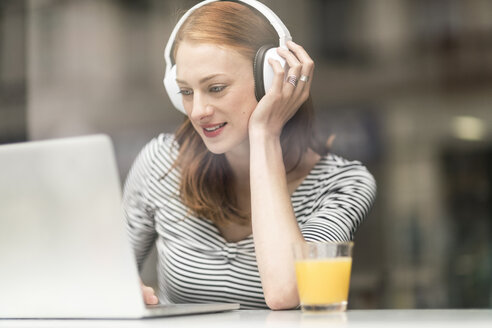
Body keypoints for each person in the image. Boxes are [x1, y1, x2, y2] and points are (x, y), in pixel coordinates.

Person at [123, 0, 376, 310]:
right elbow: (102, 277)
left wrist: (264, 136)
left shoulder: (342, 183)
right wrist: (117, 289)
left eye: (216, 88)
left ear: (272, 79)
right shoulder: (161, 163)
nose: (198, 112)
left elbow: (287, 291)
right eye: (186, 92)